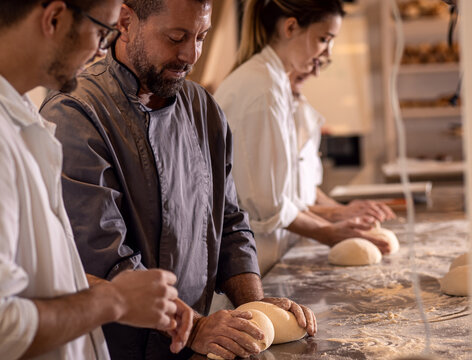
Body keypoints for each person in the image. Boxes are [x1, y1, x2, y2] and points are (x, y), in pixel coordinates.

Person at [39, 0, 317, 359]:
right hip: (119, 349)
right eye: (176, 37)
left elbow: (230, 224)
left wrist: (257, 307)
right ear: (125, 21)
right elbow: (103, 257)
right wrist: (195, 327)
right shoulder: (76, 113)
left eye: (201, 36)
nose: (191, 54)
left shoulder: (203, 109)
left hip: (193, 348)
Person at [0, 1, 194, 359]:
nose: (100, 50)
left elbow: (35, 275)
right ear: (55, 18)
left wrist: (130, 294)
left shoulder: (11, 109)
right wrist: (115, 301)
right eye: (101, 31)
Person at [214, 0, 392, 275]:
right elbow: (268, 208)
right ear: (291, 27)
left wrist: (337, 216)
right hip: (250, 263)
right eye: (324, 39)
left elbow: (287, 196)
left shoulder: (272, 85)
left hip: (268, 258)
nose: (326, 54)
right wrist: (332, 232)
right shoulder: (261, 91)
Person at [290, 62, 396, 224]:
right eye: (311, 61)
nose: (315, 72)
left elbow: (306, 189)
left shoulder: (295, 102)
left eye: (320, 63)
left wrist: (344, 210)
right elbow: (272, 205)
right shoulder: (261, 101)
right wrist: (335, 215)